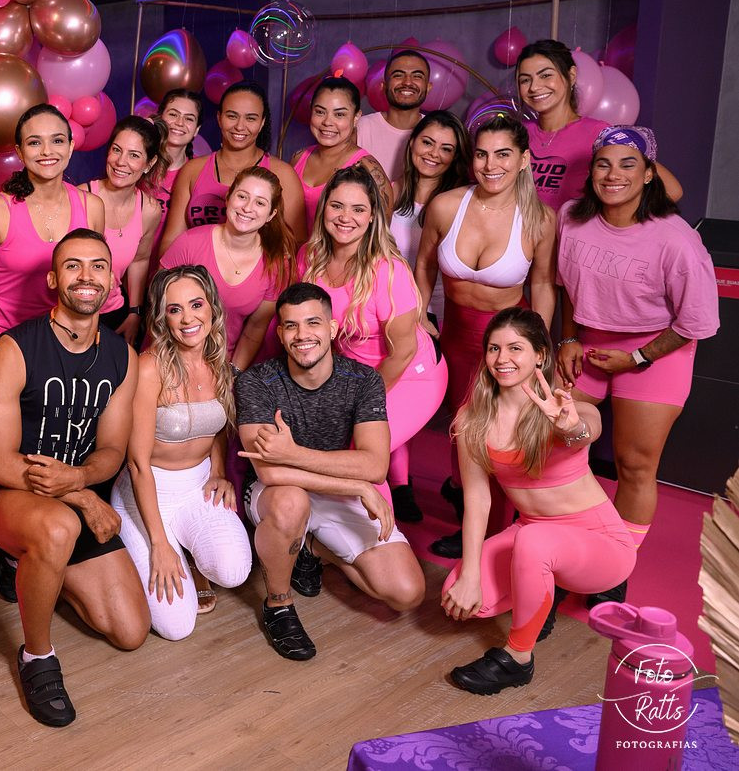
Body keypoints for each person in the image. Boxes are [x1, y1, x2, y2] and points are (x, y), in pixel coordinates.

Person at [0, 229, 148, 727]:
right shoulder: (16, 348)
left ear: (113, 282)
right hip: (3, 492)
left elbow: (112, 450)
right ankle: (37, 656)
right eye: (73, 265)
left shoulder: (122, 357)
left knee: (130, 630)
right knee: (57, 527)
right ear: (52, 279)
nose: (87, 276)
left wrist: (78, 479)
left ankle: (33, 568)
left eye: (99, 266)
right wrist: (83, 495)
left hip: (68, 489)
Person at [555, 126, 719, 604]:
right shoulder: (572, 218)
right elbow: (566, 287)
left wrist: (639, 357)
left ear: (649, 174)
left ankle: (615, 565)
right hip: (589, 343)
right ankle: (562, 545)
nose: (614, 174)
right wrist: (569, 338)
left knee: (635, 463)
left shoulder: (676, 238)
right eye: (603, 164)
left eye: (628, 164)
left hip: (656, 349)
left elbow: (695, 321)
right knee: (552, 444)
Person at [441, 308, 633, 695]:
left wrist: (571, 428)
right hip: (534, 533)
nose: (503, 358)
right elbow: (477, 499)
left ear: (539, 355)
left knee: (534, 542)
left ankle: (517, 659)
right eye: (494, 348)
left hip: (601, 543)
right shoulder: (471, 419)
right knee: (461, 596)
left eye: (516, 348)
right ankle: (547, 586)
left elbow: (587, 428)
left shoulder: (564, 406)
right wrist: (470, 575)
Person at [236, 283, 422, 663]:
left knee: (407, 592)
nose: (302, 335)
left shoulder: (363, 380)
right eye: (291, 326)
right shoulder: (255, 382)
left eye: (313, 323)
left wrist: (295, 454)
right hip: (277, 493)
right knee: (291, 502)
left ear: (332, 328)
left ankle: (314, 548)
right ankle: (279, 604)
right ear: (280, 333)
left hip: (332, 490)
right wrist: (357, 485)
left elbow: (375, 465)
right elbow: (270, 472)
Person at [414, 113, 556, 558]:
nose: (490, 165)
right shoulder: (445, 206)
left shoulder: (540, 219)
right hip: (456, 337)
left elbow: (543, 284)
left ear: (524, 159)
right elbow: (424, 265)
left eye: (503, 155)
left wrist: (537, 350)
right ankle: (469, 517)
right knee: (462, 433)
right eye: (481, 154)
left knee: (500, 437)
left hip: (509, 346)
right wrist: (420, 317)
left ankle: (494, 537)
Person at [298, 166, 448, 524]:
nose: (345, 217)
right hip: (355, 373)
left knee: (361, 454)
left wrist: (356, 403)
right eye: (337, 206)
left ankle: (384, 540)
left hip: (411, 373)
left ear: (371, 218)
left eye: (358, 209)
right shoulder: (309, 257)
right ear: (324, 208)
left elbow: (403, 352)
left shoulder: (388, 270)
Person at [110, 265, 251, 639]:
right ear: (163, 318)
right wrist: (158, 544)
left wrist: (218, 472)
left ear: (212, 308)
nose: (188, 318)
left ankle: (188, 550)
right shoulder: (149, 368)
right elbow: (137, 463)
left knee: (234, 571)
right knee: (176, 626)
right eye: (175, 309)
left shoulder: (219, 361)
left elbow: (216, 428)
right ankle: (136, 549)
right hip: (146, 492)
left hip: (197, 486)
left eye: (196, 305)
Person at [0, 104, 104, 385]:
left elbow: (94, 284)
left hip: (63, 343)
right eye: (35, 142)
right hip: (0, 339)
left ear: (71, 147)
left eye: (57, 140)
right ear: (20, 152)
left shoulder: (91, 207)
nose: (47, 151)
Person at [516, 39, 681, 211]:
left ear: (571, 75)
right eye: (525, 80)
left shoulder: (600, 133)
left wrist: (607, 218)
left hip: (570, 228)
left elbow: (672, 190)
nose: (534, 87)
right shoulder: (517, 133)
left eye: (545, 75)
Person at [160, 167, 293, 372]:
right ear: (229, 197)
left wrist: (232, 373)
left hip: (221, 366)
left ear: (271, 214)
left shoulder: (276, 264)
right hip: (170, 359)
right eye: (242, 196)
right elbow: (158, 306)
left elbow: (255, 328)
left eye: (260, 203)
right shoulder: (188, 243)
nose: (247, 208)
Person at [158, 82, 307, 254]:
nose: (240, 126)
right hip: (194, 268)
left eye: (250, 118)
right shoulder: (193, 170)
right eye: (232, 116)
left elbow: (296, 244)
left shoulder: (283, 174)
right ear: (219, 118)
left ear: (262, 122)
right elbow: (172, 240)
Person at [83, 115, 164, 341]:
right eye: (116, 150)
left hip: (114, 314)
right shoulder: (81, 198)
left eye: (134, 155)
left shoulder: (149, 209)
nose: (121, 162)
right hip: (74, 313)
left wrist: (134, 312)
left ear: (149, 164)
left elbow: (140, 260)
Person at [390, 110, 471, 329]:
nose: (434, 154)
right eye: (427, 142)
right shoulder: (388, 193)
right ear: (412, 142)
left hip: (437, 317)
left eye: (446, 149)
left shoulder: (461, 204)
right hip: (390, 310)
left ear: (455, 157)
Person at [289, 77, 391, 223]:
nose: (327, 122)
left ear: (356, 117)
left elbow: (381, 232)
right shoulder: (298, 158)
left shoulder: (369, 170)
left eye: (339, 114)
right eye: (320, 112)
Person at [355, 49, 432, 182]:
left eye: (417, 76)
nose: (407, 82)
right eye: (398, 75)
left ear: (428, 87)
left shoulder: (437, 134)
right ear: (384, 86)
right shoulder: (360, 127)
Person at [150, 88, 202, 245]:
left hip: (176, 259)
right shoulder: (138, 164)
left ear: (196, 130)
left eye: (189, 118)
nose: (180, 123)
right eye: (173, 114)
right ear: (160, 118)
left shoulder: (200, 172)